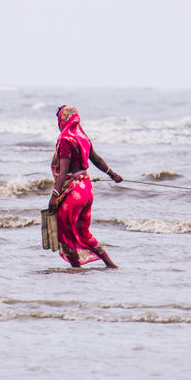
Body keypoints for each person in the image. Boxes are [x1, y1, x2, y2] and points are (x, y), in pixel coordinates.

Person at [47, 105, 122, 268]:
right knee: (83, 231)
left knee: (66, 230)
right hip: (86, 189)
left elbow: (64, 171)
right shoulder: (82, 136)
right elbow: (97, 160)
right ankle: (110, 264)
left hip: (73, 192)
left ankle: (76, 267)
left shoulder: (66, 139)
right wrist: (112, 174)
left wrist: (54, 195)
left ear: (63, 119)